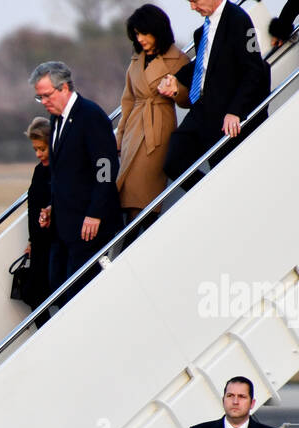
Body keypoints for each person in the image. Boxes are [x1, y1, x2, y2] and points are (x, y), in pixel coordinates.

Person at [30, 62, 121, 303]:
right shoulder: (56, 119)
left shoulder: (90, 116)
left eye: (47, 95)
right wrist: (52, 206)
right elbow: (64, 173)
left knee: (79, 296)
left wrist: (95, 213)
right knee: (57, 292)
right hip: (64, 225)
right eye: (39, 98)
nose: (44, 102)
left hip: (88, 227)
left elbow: (106, 169)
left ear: (64, 88)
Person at [159, 0, 271, 185]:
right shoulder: (204, 29)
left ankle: (218, 194)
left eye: (194, 1)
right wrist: (176, 79)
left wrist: (236, 111)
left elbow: (254, 69)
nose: (192, 7)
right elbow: (205, 65)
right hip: (202, 109)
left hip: (224, 112)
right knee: (173, 161)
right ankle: (209, 190)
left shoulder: (238, 19)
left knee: (224, 170)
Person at [117, 5, 189, 237]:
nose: (140, 39)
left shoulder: (178, 59)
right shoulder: (136, 59)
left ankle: (134, 242)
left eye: (144, 33)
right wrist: (120, 134)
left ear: (157, 30)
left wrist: (174, 90)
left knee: (145, 192)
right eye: (136, 34)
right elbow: (128, 99)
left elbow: (189, 99)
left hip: (157, 128)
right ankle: (132, 240)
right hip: (133, 127)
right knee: (127, 193)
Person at [21, 116, 54, 318]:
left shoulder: (59, 171)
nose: (39, 154)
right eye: (35, 149)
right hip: (39, 242)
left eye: (42, 148)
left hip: (53, 241)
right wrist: (32, 240)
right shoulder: (39, 171)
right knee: (34, 297)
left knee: (41, 295)